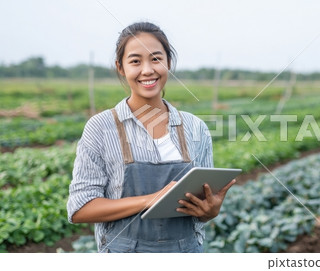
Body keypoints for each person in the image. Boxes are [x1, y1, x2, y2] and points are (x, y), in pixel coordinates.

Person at [67, 21, 235, 253]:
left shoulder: (196, 127)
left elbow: (202, 208)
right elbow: (80, 209)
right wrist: (151, 199)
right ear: (121, 67)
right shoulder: (101, 127)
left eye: (156, 59)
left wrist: (210, 211)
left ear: (169, 63)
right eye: (135, 61)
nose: (147, 70)